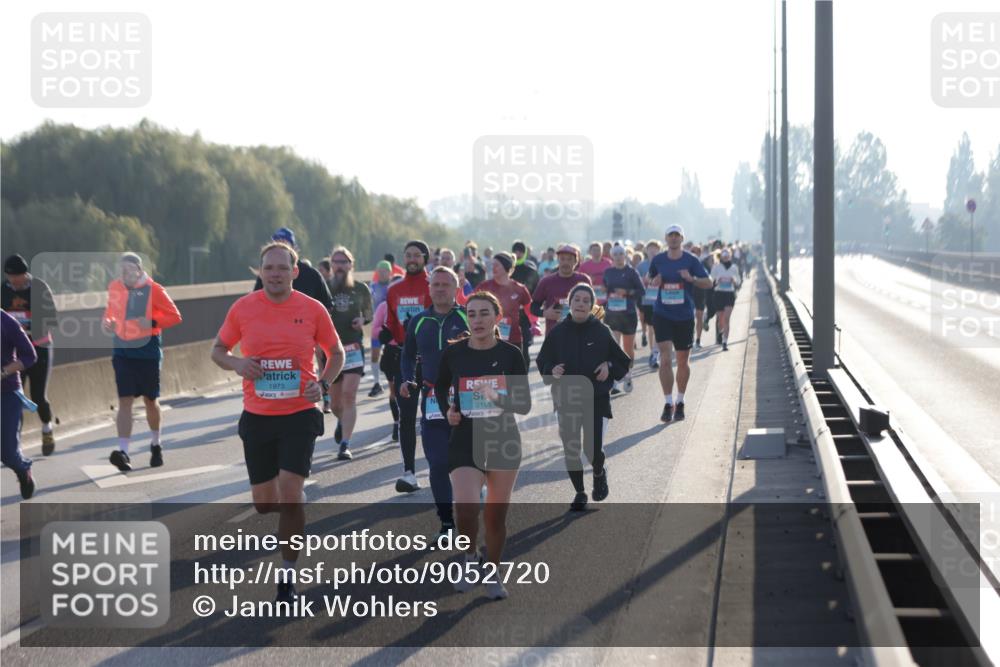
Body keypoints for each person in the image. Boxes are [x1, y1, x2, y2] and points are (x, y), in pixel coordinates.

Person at [212, 241, 344, 605]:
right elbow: (217, 350)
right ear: (260, 272)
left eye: (282, 268)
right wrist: (238, 364)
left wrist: (323, 384)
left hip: (300, 413)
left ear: (294, 272)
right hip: (258, 416)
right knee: (264, 505)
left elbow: (336, 353)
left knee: (289, 494)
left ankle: (287, 577)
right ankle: (290, 498)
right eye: (268, 268)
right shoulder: (243, 308)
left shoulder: (312, 308)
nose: (274, 274)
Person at [434, 291, 531, 600]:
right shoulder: (454, 353)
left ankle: (492, 571)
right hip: (465, 437)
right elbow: (440, 386)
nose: (477, 319)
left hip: (502, 438)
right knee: (465, 507)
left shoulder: (511, 354)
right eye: (472, 314)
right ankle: (468, 557)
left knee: (495, 516)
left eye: (484, 313)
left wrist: (496, 397)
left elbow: (524, 404)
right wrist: (449, 410)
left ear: (497, 318)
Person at [536, 284, 630, 511]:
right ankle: (579, 492)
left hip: (596, 398)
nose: (580, 304)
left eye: (585, 300)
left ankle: (599, 471)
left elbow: (623, 362)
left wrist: (609, 366)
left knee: (592, 450)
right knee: (571, 448)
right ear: (569, 303)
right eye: (576, 299)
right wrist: (552, 369)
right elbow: (543, 361)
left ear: (591, 305)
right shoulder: (557, 332)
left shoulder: (601, 331)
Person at [400, 267, 469, 542]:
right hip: (431, 399)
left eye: (446, 285)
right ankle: (447, 522)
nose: (440, 289)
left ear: (456, 288)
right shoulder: (418, 321)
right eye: (436, 285)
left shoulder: (468, 316)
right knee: (438, 463)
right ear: (429, 288)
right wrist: (407, 379)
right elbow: (407, 356)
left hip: (467, 398)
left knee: (469, 464)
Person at [103, 253, 183, 471]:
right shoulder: (115, 288)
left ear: (139, 270)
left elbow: (175, 316)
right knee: (125, 401)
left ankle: (156, 444)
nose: (125, 275)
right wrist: (108, 323)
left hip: (147, 352)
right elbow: (109, 313)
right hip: (122, 351)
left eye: (129, 270)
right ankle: (124, 452)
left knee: (150, 400)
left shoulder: (154, 289)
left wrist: (151, 321)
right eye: (122, 271)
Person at [647, 225, 712, 423]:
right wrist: (654, 281)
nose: (674, 239)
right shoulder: (658, 260)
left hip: (684, 316)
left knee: (683, 361)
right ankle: (668, 403)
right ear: (665, 239)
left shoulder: (691, 260)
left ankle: (680, 400)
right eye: (670, 236)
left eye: (677, 235)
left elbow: (708, 282)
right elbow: (649, 279)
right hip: (662, 314)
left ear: (682, 238)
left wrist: (691, 278)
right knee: (665, 359)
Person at [383, 240, 433, 493]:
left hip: (433, 360)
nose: (411, 259)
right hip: (405, 359)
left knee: (435, 415)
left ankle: (444, 466)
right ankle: (409, 472)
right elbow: (391, 323)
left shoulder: (435, 285)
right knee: (406, 417)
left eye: (416, 255)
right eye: (408, 255)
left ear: (425, 258)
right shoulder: (394, 289)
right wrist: (386, 334)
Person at [2, 254, 58, 454]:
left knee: (38, 396)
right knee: (15, 396)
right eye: (9, 277)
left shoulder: (40, 289)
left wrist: (26, 330)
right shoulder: (4, 290)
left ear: (25, 274)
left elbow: (52, 320)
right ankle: (14, 443)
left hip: (38, 348)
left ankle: (47, 427)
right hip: (14, 352)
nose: (13, 281)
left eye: (16, 276)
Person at [327, 247, 373, 460]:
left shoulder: (361, 288)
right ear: (331, 265)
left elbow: (369, 313)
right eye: (336, 262)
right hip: (330, 351)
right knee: (335, 403)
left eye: (344, 262)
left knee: (349, 394)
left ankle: (345, 444)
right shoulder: (325, 288)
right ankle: (341, 419)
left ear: (350, 265)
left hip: (353, 348)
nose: (339, 266)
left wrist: (362, 321)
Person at [2, 309, 39, 499]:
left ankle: (22, 469)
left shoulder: (7, 322)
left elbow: (30, 355)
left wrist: (4, 371)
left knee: (7, 452)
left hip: (6, 393)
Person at [253, 228, 333, 312]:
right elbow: (255, 304)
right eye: (276, 245)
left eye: (284, 246)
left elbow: (327, 306)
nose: (279, 250)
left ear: (294, 249)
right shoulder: (266, 275)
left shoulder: (312, 275)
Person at [601, 245, 646, 393]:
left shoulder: (632, 272)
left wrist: (626, 292)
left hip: (628, 315)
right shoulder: (608, 272)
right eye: (616, 254)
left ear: (625, 255)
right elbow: (604, 290)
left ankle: (628, 375)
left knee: (627, 349)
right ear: (612, 257)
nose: (619, 257)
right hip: (612, 314)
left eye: (621, 254)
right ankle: (614, 381)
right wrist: (603, 291)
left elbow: (642, 291)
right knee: (613, 347)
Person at [478, 252, 534, 368]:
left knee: (515, 377)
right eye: (492, 265)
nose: (493, 268)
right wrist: (460, 293)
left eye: (496, 265)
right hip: (490, 339)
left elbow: (530, 310)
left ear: (506, 267)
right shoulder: (484, 287)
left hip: (514, 339)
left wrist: (535, 324)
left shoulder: (519, 288)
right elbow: (468, 303)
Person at [530, 244, 592, 335]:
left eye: (569, 259)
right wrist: (545, 313)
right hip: (554, 335)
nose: (565, 262)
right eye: (562, 259)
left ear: (576, 261)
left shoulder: (584, 280)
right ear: (558, 260)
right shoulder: (546, 281)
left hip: (580, 333)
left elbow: (593, 307)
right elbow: (533, 307)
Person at [367, 261, 395, 397]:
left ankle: (394, 382)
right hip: (378, 326)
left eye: (385, 271)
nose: (382, 274)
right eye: (380, 271)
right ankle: (377, 383)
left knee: (392, 356)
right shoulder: (373, 286)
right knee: (375, 354)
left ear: (390, 272)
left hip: (393, 327)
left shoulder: (394, 285)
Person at [710, 249, 741, 351]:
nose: (726, 258)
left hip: (729, 294)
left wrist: (734, 280)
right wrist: (717, 280)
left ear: (730, 257)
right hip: (719, 294)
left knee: (727, 318)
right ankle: (721, 330)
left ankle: (724, 342)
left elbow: (738, 281)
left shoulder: (734, 267)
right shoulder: (716, 267)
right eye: (724, 256)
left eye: (727, 256)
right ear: (721, 257)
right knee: (721, 319)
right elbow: (711, 280)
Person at [636, 240, 662, 363]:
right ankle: (653, 352)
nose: (652, 251)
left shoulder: (663, 264)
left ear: (659, 250)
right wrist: (644, 280)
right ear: (646, 251)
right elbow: (636, 282)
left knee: (659, 327)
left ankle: (656, 352)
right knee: (651, 327)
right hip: (648, 300)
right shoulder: (641, 266)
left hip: (662, 300)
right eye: (650, 249)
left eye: (655, 249)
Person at [690, 245, 708, 350]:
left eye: (696, 252)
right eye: (692, 251)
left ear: (699, 254)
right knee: (690, 318)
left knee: (699, 317)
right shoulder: (686, 264)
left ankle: (698, 340)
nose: (694, 253)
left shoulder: (702, 265)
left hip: (700, 293)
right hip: (689, 294)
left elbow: (707, 279)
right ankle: (690, 339)